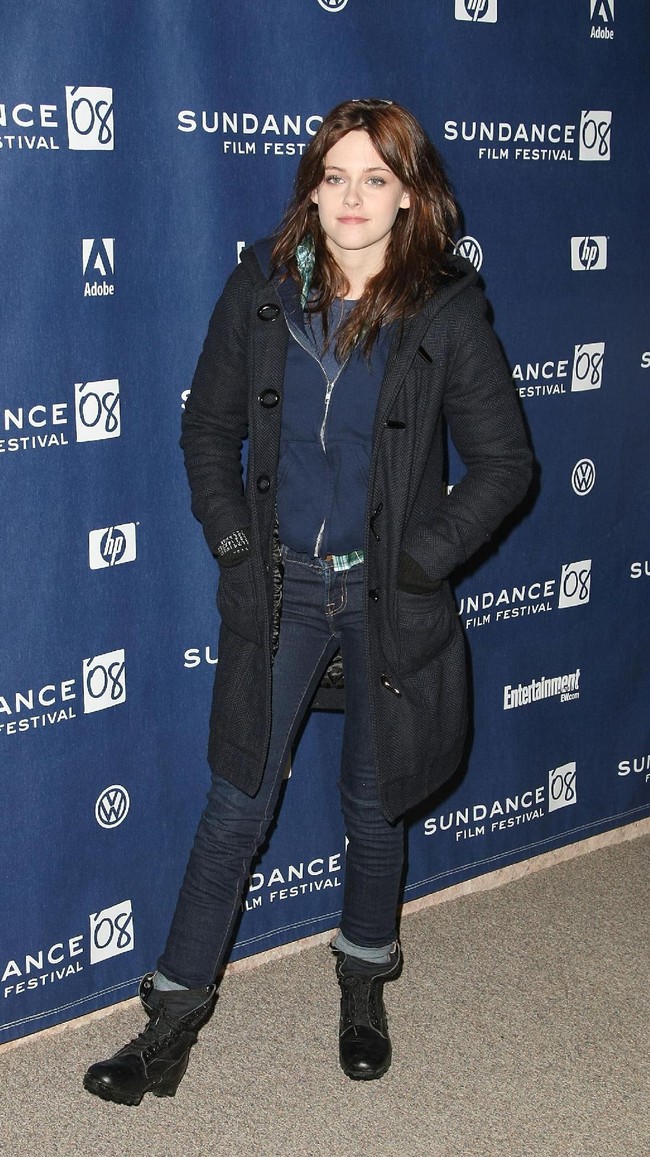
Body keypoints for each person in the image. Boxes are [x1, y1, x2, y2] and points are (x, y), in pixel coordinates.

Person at [83, 98, 532, 1104]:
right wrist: (236, 544)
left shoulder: (446, 309)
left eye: (375, 178)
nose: (351, 199)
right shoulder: (258, 289)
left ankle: (363, 980)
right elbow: (206, 432)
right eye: (334, 176)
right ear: (311, 187)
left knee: (375, 803)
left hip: (388, 599)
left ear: (411, 195)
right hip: (278, 585)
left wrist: (419, 560)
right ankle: (169, 1020)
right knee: (235, 802)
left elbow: (504, 465)